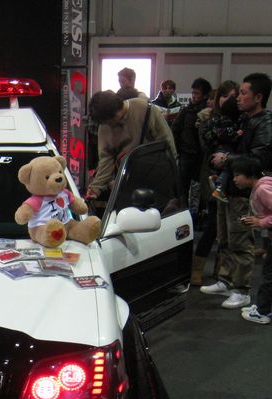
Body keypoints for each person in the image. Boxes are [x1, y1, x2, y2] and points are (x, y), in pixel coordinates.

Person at [201, 72, 272, 310]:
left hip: (246, 191)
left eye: (243, 93)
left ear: (258, 97)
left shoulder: (266, 123)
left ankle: (241, 289)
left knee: (240, 240)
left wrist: (227, 159)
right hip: (230, 187)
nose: (238, 98)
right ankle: (226, 280)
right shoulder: (245, 120)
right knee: (225, 238)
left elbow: (259, 159)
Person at [229, 156, 272, 324]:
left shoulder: (263, 189)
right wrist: (256, 220)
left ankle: (263, 312)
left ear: (249, 174)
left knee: (269, 275)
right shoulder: (260, 188)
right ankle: (261, 307)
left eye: (237, 175)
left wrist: (261, 222)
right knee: (268, 272)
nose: (234, 179)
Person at [84, 90, 177, 202]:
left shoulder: (146, 109)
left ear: (116, 113)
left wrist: (172, 177)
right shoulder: (104, 126)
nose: (108, 126)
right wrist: (96, 188)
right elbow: (106, 160)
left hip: (157, 178)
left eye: (108, 122)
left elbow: (167, 144)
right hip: (127, 183)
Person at [191, 80, 239, 285]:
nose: (229, 101)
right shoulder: (208, 120)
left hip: (235, 177)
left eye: (233, 97)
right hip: (213, 176)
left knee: (228, 229)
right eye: (225, 96)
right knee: (212, 226)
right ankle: (197, 269)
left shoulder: (241, 121)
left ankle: (221, 269)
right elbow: (206, 147)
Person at [171, 78, 212, 218]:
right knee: (182, 188)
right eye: (192, 92)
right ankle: (183, 216)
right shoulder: (187, 110)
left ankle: (197, 216)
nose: (193, 96)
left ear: (205, 95)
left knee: (200, 189)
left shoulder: (208, 113)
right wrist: (178, 149)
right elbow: (175, 128)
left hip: (201, 158)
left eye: (197, 93)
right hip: (186, 155)